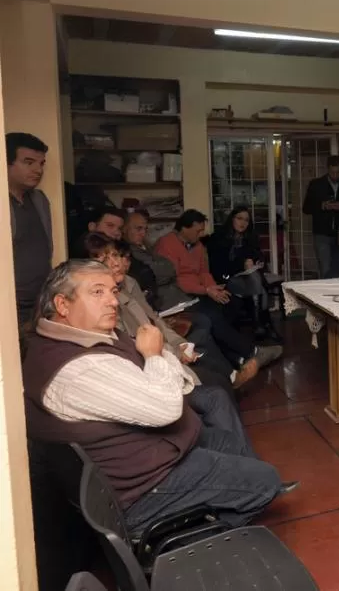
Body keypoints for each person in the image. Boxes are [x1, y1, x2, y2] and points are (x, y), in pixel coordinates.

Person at [21, 260, 296, 535]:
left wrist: (157, 361)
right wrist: (152, 355)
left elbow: (179, 378)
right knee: (266, 481)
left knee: (227, 441)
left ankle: (234, 493)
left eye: (113, 291)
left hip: (155, 453)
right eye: (97, 292)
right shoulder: (75, 369)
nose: (113, 301)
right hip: (144, 488)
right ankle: (193, 541)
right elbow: (167, 404)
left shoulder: (93, 337)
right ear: (62, 305)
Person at [78, 233, 252, 394]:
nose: (115, 263)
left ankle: (235, 370)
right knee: (215, 386)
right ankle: (237, 369)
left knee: (205, 331)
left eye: (115, 255)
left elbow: (153, 318)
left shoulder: (129, 282)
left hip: (161, 346)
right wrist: (175, 351)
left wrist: (179, 344)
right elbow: (129, 342)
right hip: (144, 362)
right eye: (103, 258)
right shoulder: (102, 301)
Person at [155, 209, 281, 372]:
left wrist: (213, 287)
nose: (200, 234)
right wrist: (206, 290)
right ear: (184, 228)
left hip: (199, 291)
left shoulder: (198, 245)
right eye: (197, 230)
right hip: (182, 295)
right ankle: (250, 352)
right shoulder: (167, 244)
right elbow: (175, 279)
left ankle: (237, 357)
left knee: (231, 302)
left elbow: (204, 272)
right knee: (213, 314)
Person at [205, 206, 280, 341]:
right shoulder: (218, 237)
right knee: (259, 286)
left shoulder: (250, 237)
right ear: (232, 219)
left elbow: (258, 255)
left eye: (246, 220)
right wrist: (242, 264)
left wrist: (258, 262)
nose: (243, 223)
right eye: (239, 218)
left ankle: (260, 325)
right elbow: (218, 266)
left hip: (248, 278)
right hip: (227, 278)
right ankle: (264, 325)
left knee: (255, 278)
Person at [7, 132, 53, 332]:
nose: (38, 169)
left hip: (40, 301)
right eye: (28, 162)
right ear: (6, 162)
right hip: (10, 305)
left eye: (41, 163)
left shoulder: (39, 200)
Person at [302, 155, 339, 279]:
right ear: (328, 169)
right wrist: (323, 206)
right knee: (325, 267)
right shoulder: (316, 185)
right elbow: (306, 208)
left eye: (338, 172)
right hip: (322, 233)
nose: (335, 176)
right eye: (332, 172)